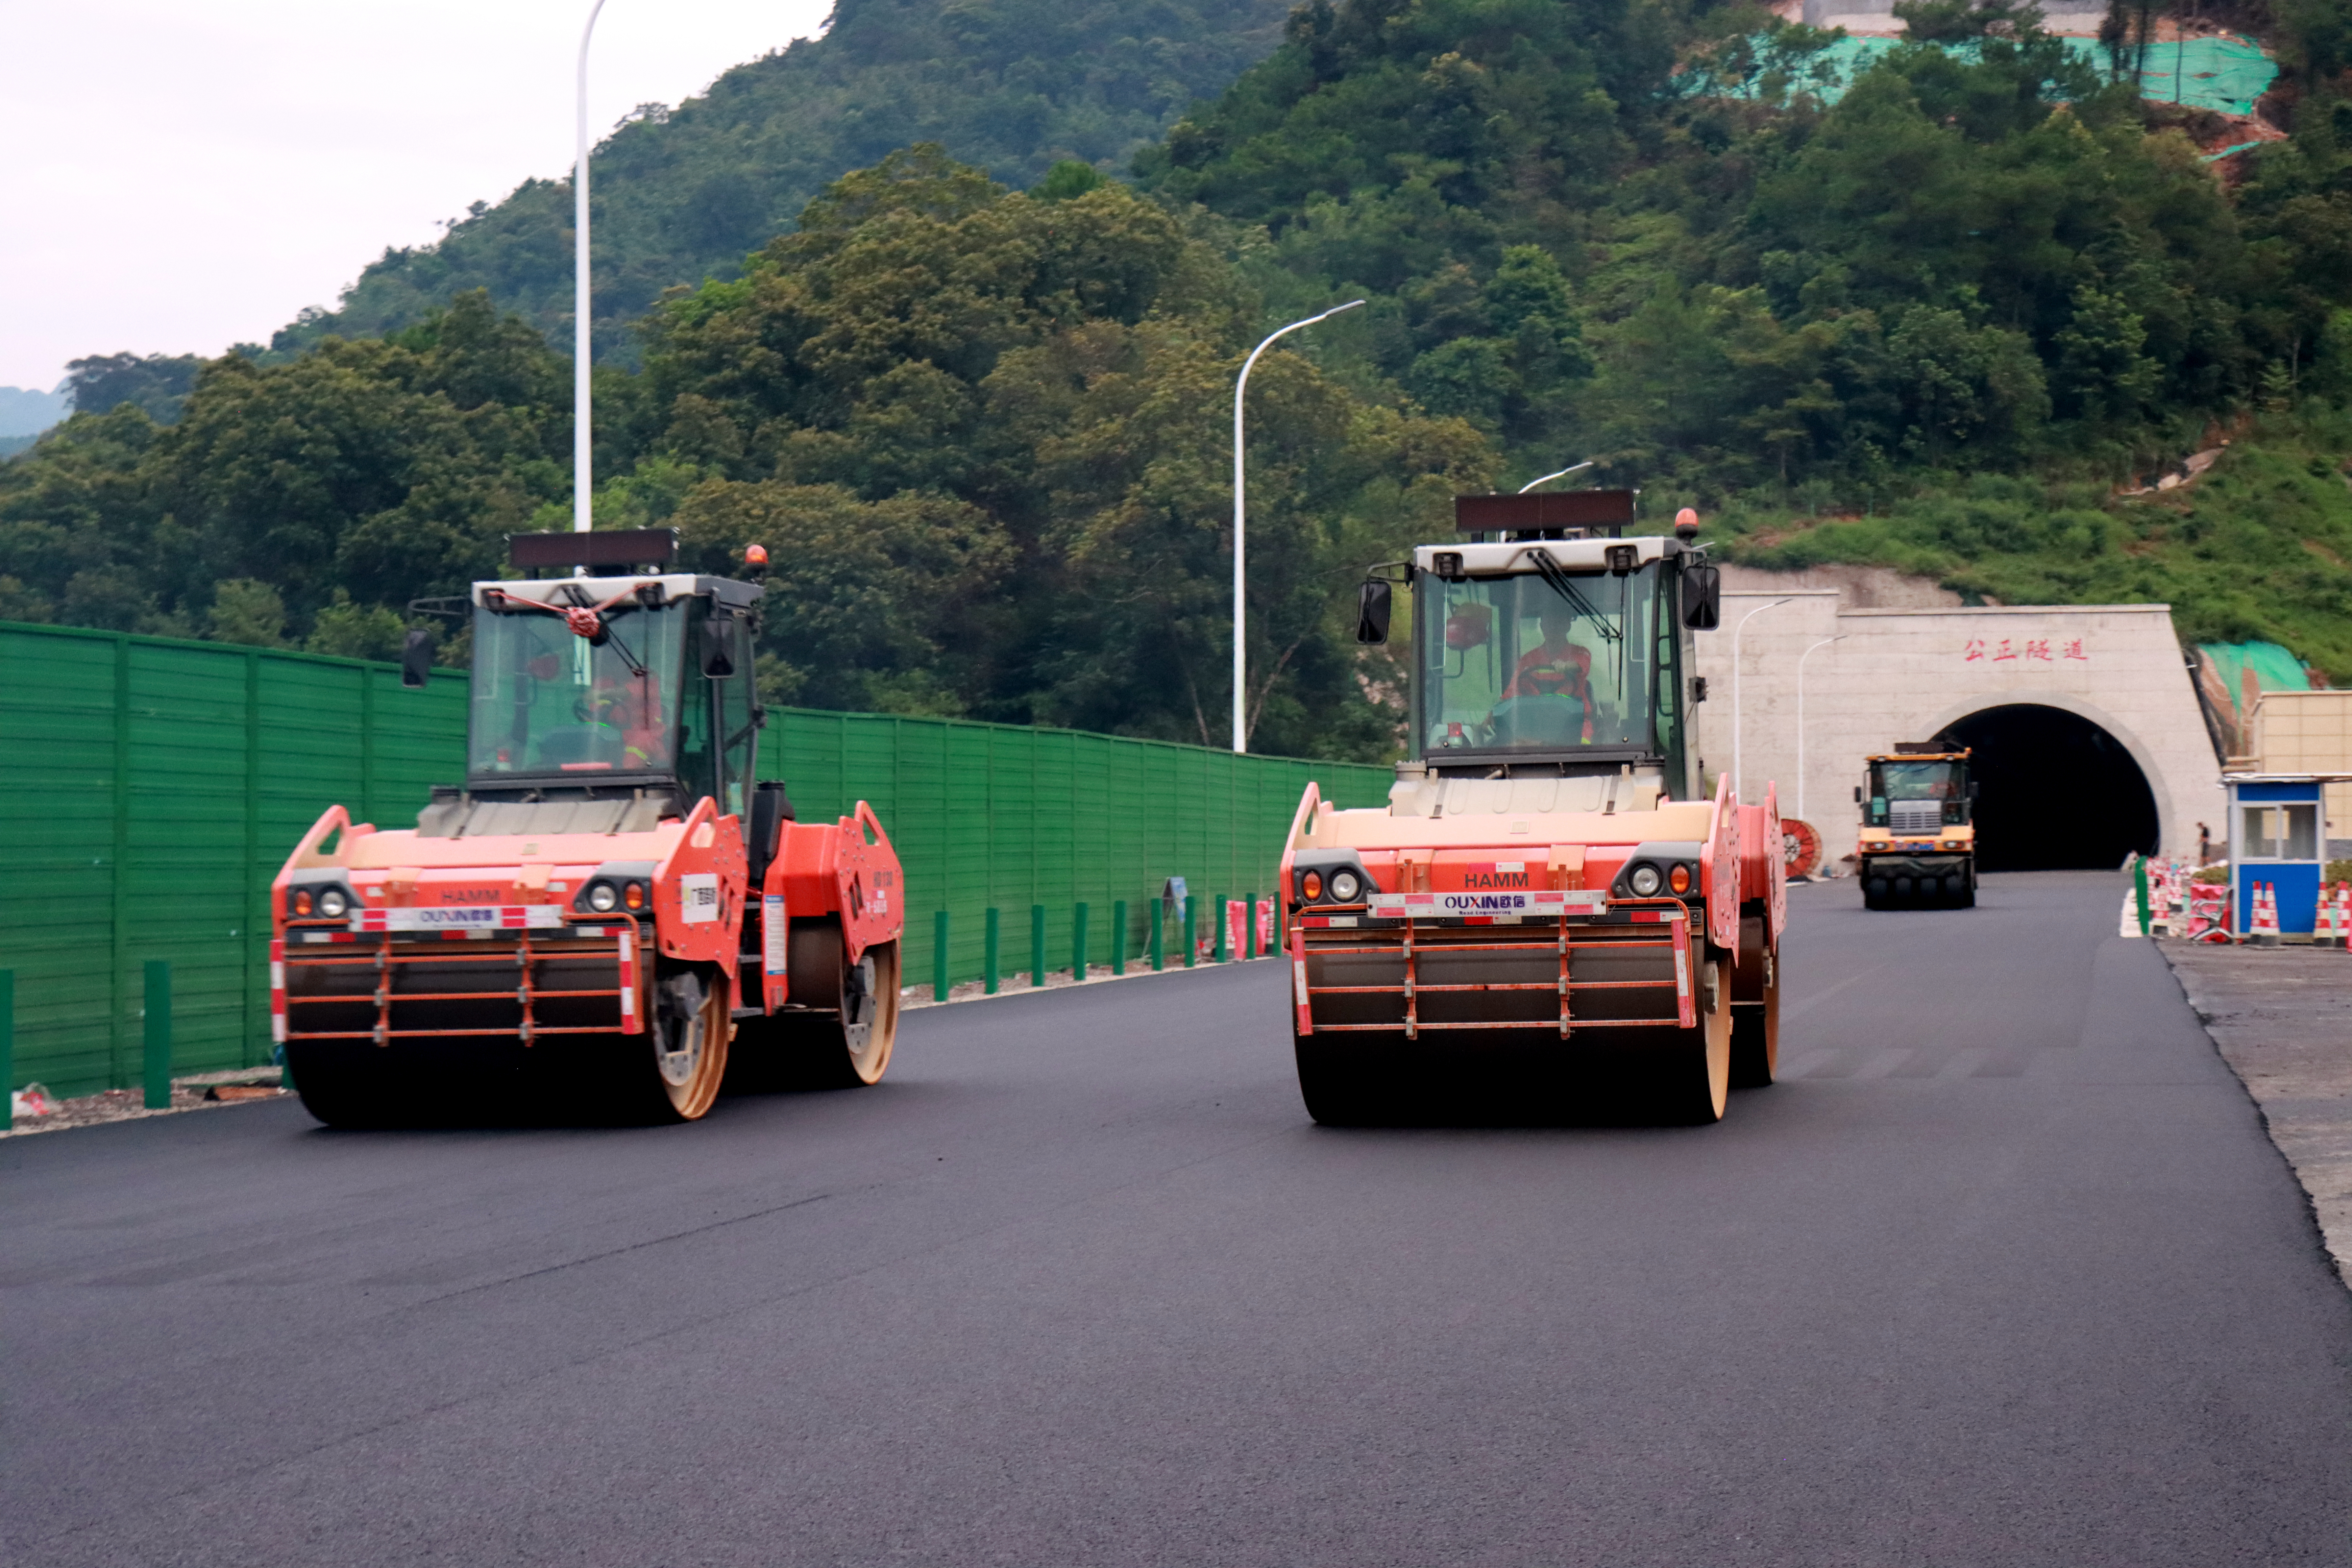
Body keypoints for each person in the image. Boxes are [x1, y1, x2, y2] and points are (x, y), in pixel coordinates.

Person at [1499, 598, 1594, 742]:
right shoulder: (1528, 660)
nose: (1553, 628)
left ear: (1567, 626)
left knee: (1585, 750)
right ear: (1542, 626)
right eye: (1548, 623)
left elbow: (1582, 665)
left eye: (1558, 623)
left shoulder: (1580, 653)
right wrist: (1493, 713)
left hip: (1576, 728)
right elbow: (1511, 693)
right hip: (1536, 730)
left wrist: (1566, 666)